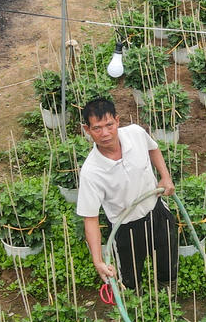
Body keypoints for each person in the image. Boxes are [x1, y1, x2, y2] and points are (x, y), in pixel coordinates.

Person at [76, 98, 178, 291]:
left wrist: (165, 177)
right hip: (125, 228)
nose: (105, 133)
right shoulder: (92, 171)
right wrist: (98, 260)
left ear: (117, 120)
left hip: (156, 212)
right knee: (129, 280)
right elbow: (90, 218)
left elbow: (153, 148)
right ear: (87, 129)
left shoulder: (136, 134)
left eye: (109, 125)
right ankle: (135, 309)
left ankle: (167, 300)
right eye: (97, 128)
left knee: (168, 264)